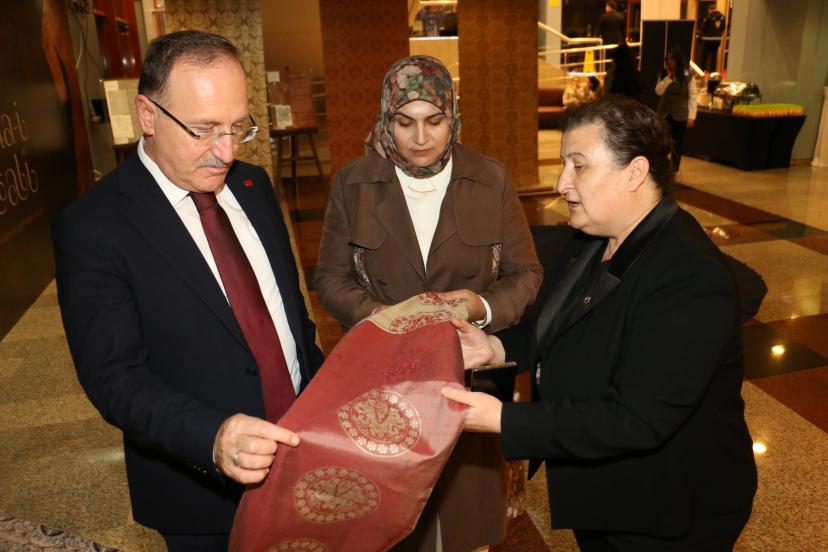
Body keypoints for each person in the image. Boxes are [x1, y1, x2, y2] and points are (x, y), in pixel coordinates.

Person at [442, 97, 757, 552]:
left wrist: (502, 419)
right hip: (608, 490)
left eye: (579, 165)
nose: (561, 183)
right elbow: (555, 327)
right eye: (563, 164)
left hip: (667, 510)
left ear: (635, 172)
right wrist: (494, 347)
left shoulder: (689, 275)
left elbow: (637, 418)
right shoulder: (594, 238)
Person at [53, 30, 324, 551]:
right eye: (203, 131)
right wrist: (213, 437)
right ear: (148, 115)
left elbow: (289, 319)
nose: (226, 151)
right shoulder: (93, 226)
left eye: (237, 127)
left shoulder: (254, 186)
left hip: (305, 456)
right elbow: (114, 377)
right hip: (202, 492)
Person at [314, 55, 542, 551]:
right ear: (386, 119)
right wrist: (379, 317)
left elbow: (526, 274)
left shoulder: (491, 180)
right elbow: (329, 278)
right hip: (385, 379)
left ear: (453, 116)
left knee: (464, 517)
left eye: (434, 120)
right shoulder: (354, 184)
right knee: (395, 516)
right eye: (405, 122)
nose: (421, 137)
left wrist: (481, 305)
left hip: (466, 376)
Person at [655, 47, 698, 171]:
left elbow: (693, 96)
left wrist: (691, 116)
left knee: (677, 142)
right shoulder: (664, 73)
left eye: (672, 59)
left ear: (678, 60)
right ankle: (662, 166)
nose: (669, 61)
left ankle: (674, 168)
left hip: (681, 114)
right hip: (664, 112)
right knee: (662, 141)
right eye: (668, 59)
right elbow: (658, 91)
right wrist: (668, 78)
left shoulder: (688, 75)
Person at [699, 3, 726, 73]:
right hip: (717, 39)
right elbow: (723, 27)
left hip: (707, 39)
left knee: (704, 56)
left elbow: (703, 27)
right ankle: (712, 72)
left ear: (709, 10)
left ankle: (701, 71)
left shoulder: (709, 16)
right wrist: (719, 34)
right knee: (714, 56)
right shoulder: (722, 17)